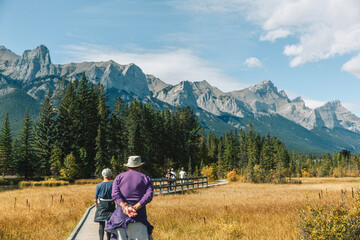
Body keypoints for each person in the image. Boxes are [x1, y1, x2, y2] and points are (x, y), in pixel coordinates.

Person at [105, 156, 154, 240]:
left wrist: (126, 207)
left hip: (120, 218)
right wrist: (135, 207)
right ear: (140, 167)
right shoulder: (146, 178)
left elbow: (115, 194)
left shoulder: (119, 177)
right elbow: (149, 195)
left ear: (127, 167)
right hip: (139, 217)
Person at [94, 168, 116, 240]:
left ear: (103, 175)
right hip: (111, 205)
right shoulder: (113, 184)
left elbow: (95, 199)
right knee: (109, 224)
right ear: (110, 175)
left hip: (102, 205)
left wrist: (97, 207)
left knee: (101, 224)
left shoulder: (99, 185)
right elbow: (115, 196)